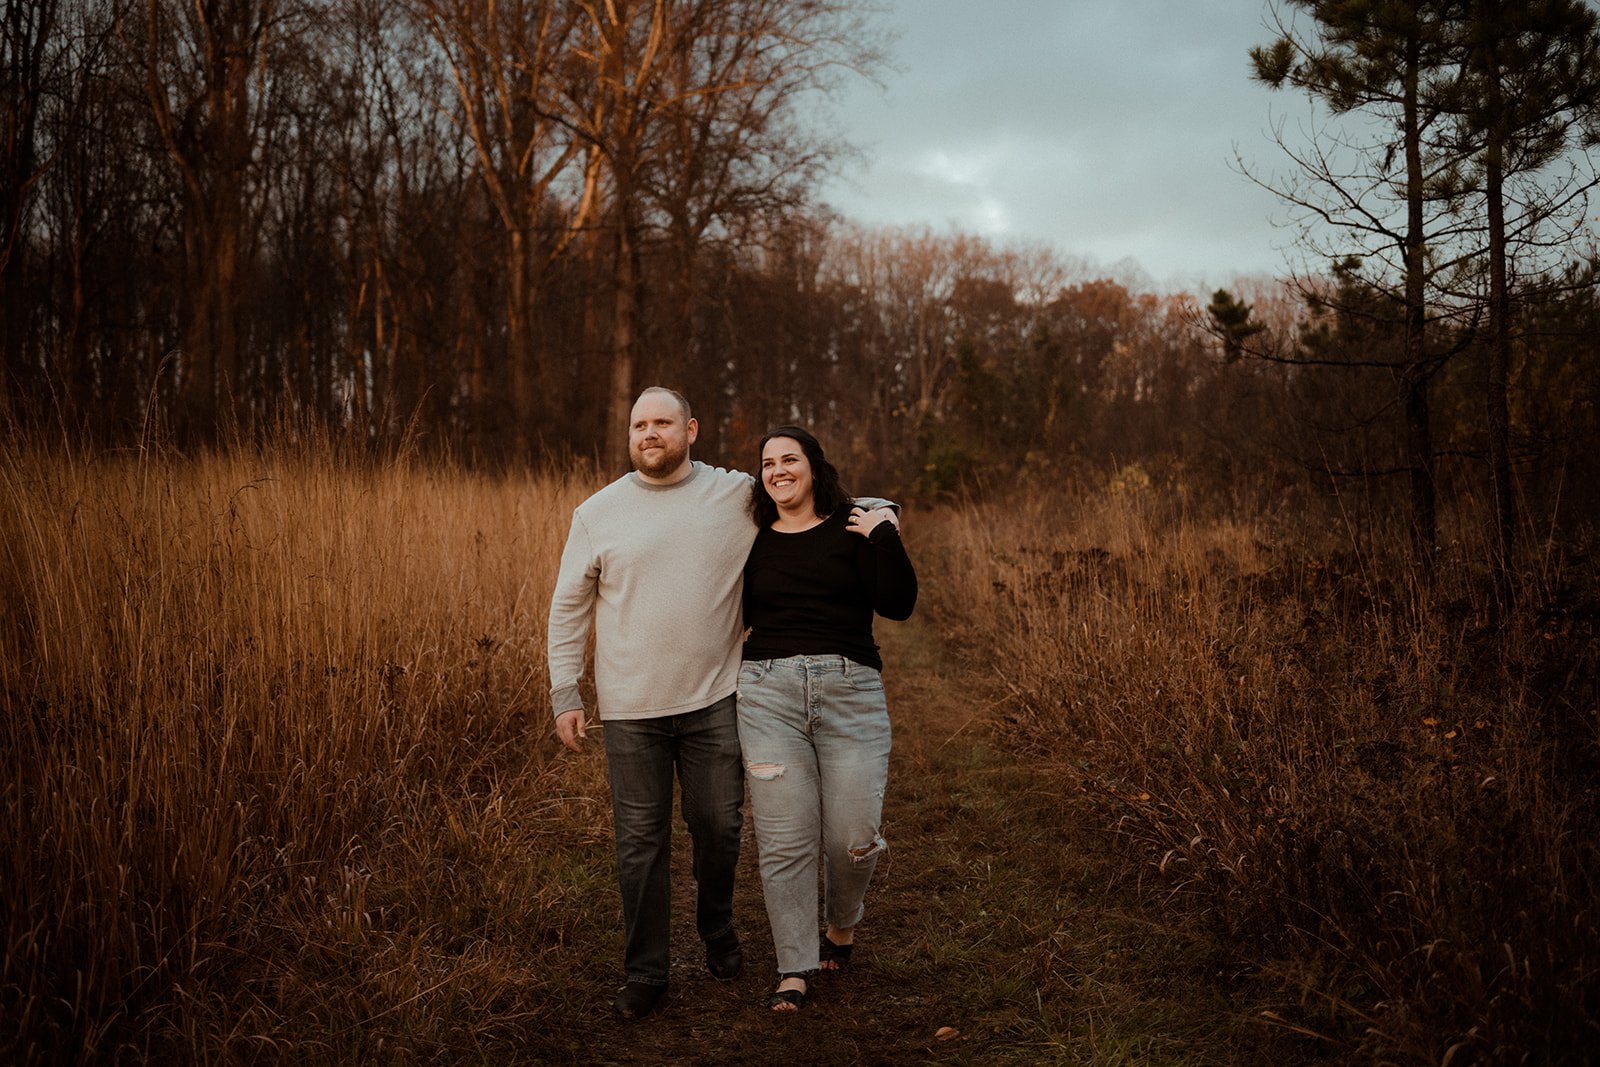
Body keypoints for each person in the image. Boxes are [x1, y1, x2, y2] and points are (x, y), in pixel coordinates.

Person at [546, 387, 755, 1021]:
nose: (649, 433)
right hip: (631, 710)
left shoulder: (736, 494)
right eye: (639, 424)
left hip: (715, 698)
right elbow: (568, 607)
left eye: (662, 422)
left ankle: (716, 929)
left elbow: (804, 499)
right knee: (641, 843)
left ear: (691, 429)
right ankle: (647, 971)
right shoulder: (597, 512)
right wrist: (565, 691)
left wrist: (876, 515)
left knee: (719, 826)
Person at [734, 425, 918, 1012]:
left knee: (853, 838)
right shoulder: (749, 539)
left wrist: (883, 532)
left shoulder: (854, 526)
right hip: (766, 696)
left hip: (851, 694)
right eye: (767, 463)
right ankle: (793, 965)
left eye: (790, 459)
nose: (778, 470)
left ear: (814, 466)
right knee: (785, 842)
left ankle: (841, 922)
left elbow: (899, 603)